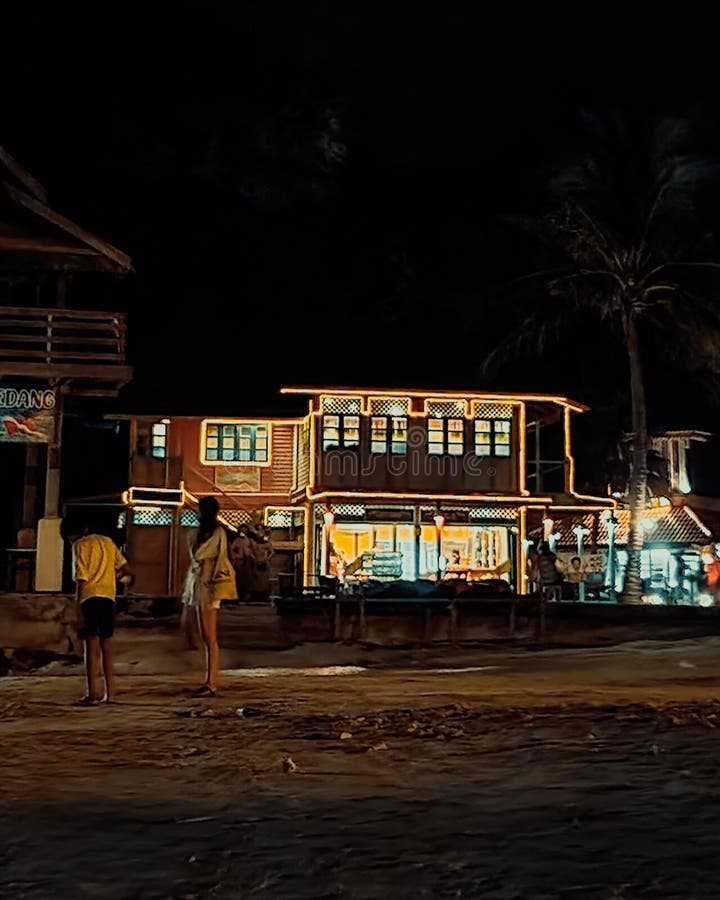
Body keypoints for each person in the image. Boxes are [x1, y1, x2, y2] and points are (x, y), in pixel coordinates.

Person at [62, 519, 132, 706]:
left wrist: (78, 610)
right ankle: (111, 693)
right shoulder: (107, 542)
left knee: (91, 649)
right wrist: (116, 577)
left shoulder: (79, 546)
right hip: (109, 597)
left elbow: (81, 579)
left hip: (89, 597)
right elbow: (126, 569)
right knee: (107, 646)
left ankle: (92, 693)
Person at [182, 496, 237, 696]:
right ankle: (209, 679)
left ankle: (212, 681)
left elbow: (200, 555)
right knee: (204, 635)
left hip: (211, 585)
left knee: (209, 636)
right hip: (200, 584)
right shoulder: (200, 533)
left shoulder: (217, 533)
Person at [229, 524, 254, 601]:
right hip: (240, 561)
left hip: (248, 561)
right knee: (239, 579)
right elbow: (231, 549)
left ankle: (247, 595)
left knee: (248, 578)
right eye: (241, 531)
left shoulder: (249, 540)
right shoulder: (237, 541)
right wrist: (235, 556)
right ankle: (238, 595)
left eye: (244, 531)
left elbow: (253, 549)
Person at [249, 526, 274, 602]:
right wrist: (254, 559)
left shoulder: (267, 544)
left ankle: (264, 596)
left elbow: (272, 552)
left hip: (264, 563)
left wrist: (267, 559)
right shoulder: (253, 544)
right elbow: (250, 552)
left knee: (264, 581)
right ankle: (255, 596)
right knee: (255, 581)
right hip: (256, 563)